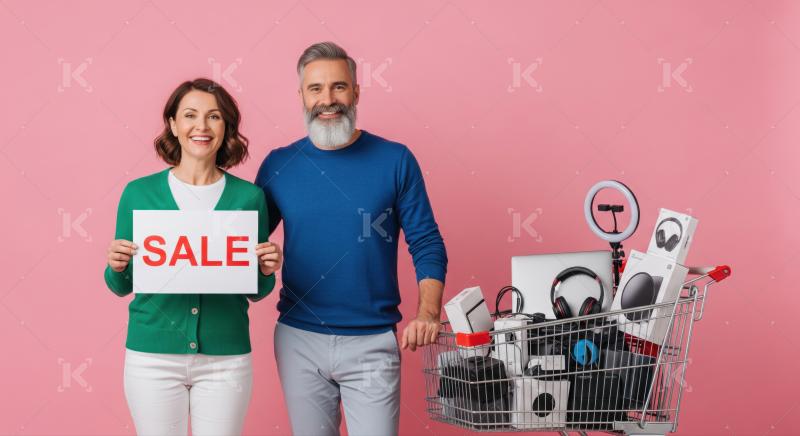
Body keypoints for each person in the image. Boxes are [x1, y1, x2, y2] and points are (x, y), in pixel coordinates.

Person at [255, 42, 448, 436]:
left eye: (339, 87)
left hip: (372, 342)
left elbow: (426, 242)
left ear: (356, 92)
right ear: (301, 97)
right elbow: (241, 242)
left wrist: (427, 313)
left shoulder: (396, 160)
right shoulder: (279, 164)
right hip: (298, 340)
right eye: (316, 89)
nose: (328, 100)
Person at [104, 78, 283, 436]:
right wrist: (116, 265)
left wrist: (266, 268)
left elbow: (256, 290)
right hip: (152, 358)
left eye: (214, 117)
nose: (201, 127)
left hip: (226, 359)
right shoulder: (138, 193)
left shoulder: (248, 198)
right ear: (173, 124)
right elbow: (120, 286)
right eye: (190, 115)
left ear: (226, 127)